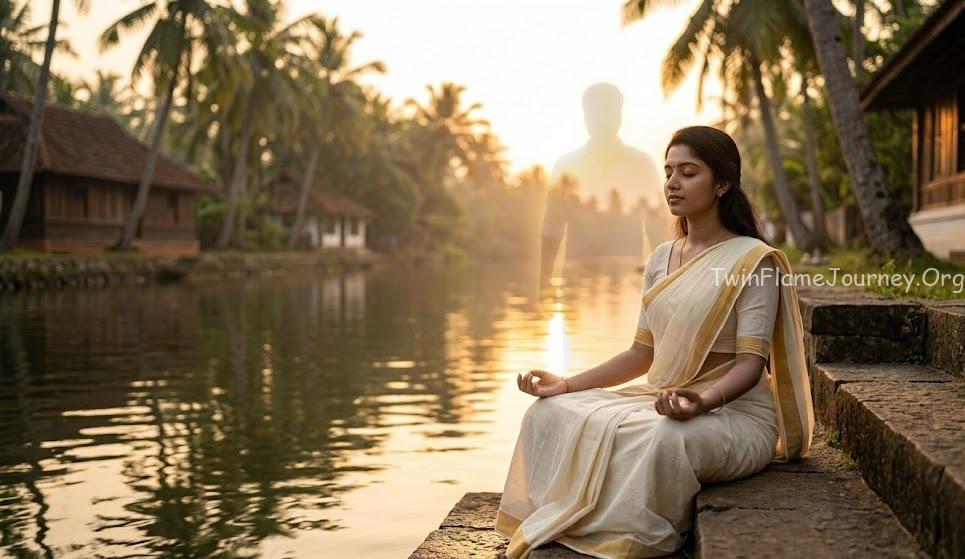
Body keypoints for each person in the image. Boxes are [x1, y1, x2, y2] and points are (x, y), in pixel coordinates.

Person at [496, 126, 814, 558]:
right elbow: (640, 354)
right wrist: (568, 384)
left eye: (688, 172)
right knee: (547, 412)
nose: (673, 183)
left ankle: (623, 533)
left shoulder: (752, 259)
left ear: (722, 184)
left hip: (734, 413)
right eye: (668, 172)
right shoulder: (662, 257)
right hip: (663, 399)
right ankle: (569, 513)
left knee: (662, 438)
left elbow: (750, 364)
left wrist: (702, 401)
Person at [539, 83, 672, 292]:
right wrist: (543, 285)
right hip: (576, 284)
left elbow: (657, 229)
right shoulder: (565, 165)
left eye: (608, 111)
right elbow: (551, 230)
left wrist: (665, 285)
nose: (602, 119)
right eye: (595, 112)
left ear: (619, 116)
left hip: (629, 283)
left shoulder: (641, 163)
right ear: (585, 117)